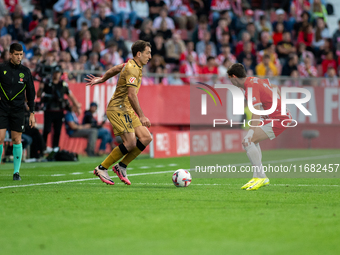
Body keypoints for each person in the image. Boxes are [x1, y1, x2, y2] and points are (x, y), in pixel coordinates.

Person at [85, 40, 152, 186]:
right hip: (118, 108)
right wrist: (141, 115)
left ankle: (121, 167)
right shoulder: (133, 68)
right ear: (139, 54)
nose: (150, 56)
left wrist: (103, 78)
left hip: (126, 108)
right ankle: (101, 168)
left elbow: (116, 68)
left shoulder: (131, 65)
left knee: (146, 137)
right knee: (130, 143)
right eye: (148, 53)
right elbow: (131, 95)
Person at [227, 63, 292, 191]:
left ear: (234, 77)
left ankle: (261, 177)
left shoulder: (250, 87)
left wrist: (250, 132)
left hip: (279, 119)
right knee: (252, 142)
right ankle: (257, 176)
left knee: (248, 141)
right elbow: (275, 87)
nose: (230, 82)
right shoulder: (254, 80)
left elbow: (255, 110)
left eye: (230, 79)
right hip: (279, 116)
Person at [0, 43, 36, 180]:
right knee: (0, 138)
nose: (19, 57)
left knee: (17, 139)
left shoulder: (26, 71)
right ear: (10, 54)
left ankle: (16, 172)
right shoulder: (1, 68)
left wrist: (32, 113)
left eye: (21, 54)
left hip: (18, 110)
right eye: (16, 54)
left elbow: (31, 94)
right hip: (2, 108)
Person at [37, 65, 80, 151]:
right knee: (47, 130)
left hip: (59, 111)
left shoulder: (63, 84)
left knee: (57, 131)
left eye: (58, 73)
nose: (56, 75)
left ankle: (55, 148)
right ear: (52, 73)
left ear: (60, 74)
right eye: (55, 73)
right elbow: (38, 95)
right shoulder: (47, 83)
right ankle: (43, 148)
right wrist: (41, 88)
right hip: (49, 110)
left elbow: (70, 95)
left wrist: (77, 106)